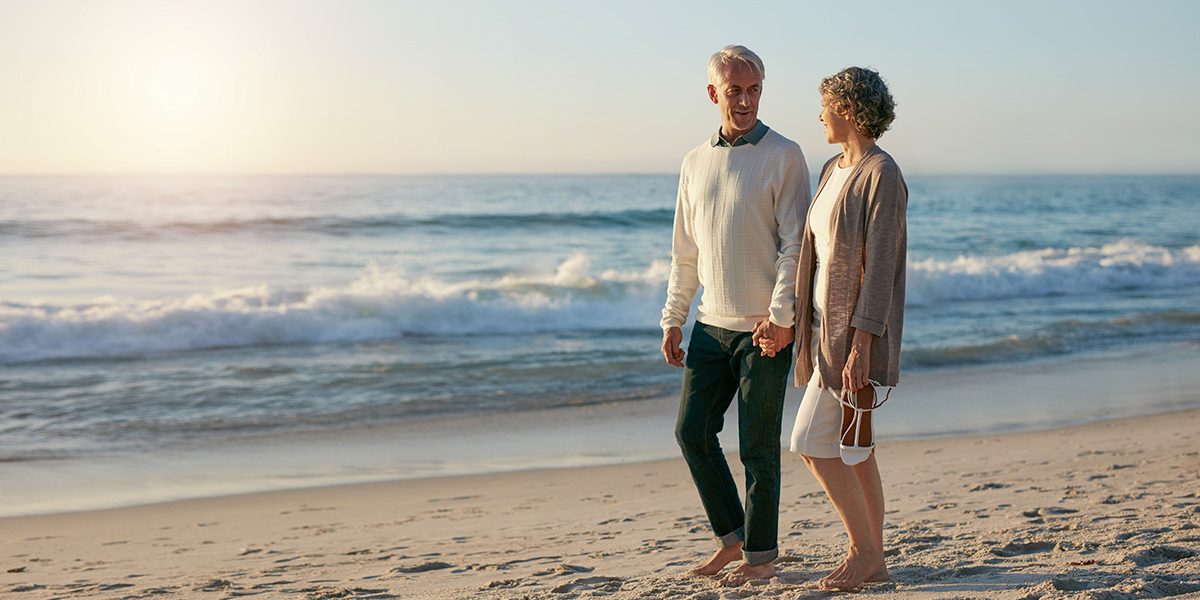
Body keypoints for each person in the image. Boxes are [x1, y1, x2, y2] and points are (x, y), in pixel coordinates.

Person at [660, 44, 810, 585]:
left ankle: (761, 559)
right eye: (734, 91)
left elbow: (796, 245)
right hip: (709, 326)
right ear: (712, 94)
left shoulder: (785, 155)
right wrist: (674, 317)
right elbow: (686, 251)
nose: (744, 101)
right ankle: (733, 539)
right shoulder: (694, 162)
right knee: (692, 433)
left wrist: (782, 315)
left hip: (764, 331)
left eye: (753, 90)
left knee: (757, 447)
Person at [765, 66, 907, 591]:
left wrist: (861, 346)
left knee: (807, 441)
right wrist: (787, 318)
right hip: (823, 327)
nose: (819, 114)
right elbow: (815, 257)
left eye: (825, 104)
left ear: (847, 108)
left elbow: (882, 268)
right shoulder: (831, 169)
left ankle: (863, 551)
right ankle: (878, 560)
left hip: (851, 337)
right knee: (855, 449)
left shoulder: (881, 174)